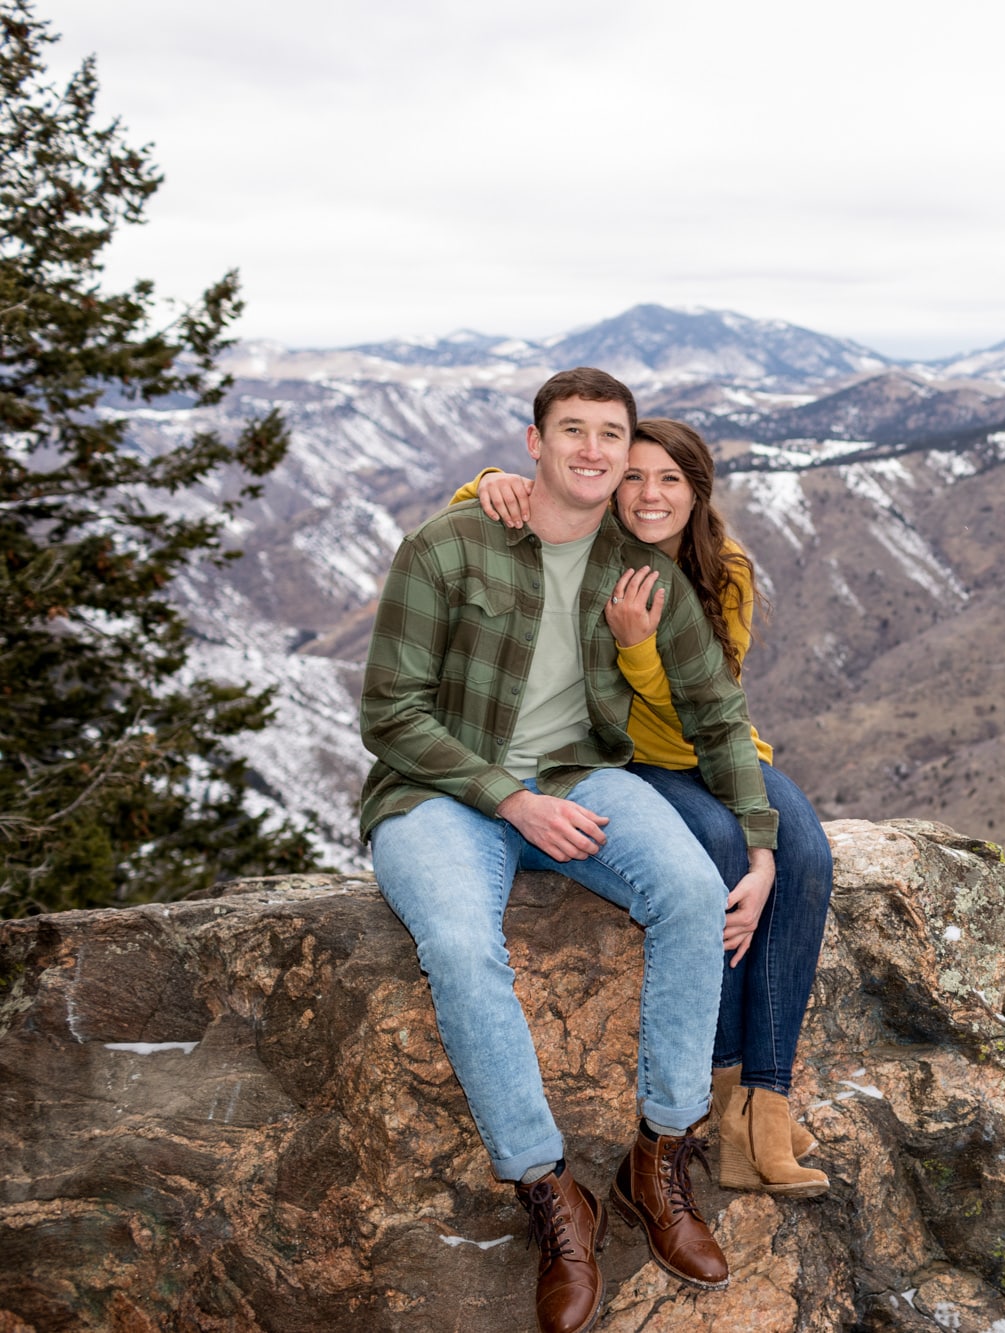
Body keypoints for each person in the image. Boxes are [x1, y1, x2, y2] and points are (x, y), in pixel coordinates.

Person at [363, 368, 775, 1332]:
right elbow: (391, 712)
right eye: (573, 430)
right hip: (442, 793)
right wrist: (508, 799)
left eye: (609, 434)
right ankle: (551, 1193)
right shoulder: (450, 545)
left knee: (688, 888)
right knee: (461, 946)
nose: (592, 450)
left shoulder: (639, 569)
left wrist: (758, 850)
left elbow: (718, 715)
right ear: (535, 440)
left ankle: (662, 1154)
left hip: (580, 778)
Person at [456, 417, 833, 1199]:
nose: (650, 495)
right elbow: (628, 719)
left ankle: (766, 1099)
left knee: (804, 853)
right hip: (636, 763)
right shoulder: (590, 550)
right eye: (634, 476)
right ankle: (727, 1100)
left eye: (671, 480)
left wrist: (640, 648)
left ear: (697, 493)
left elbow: (708, 709)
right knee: (717, 855)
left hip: (715, 749)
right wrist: (488, 479)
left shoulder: (725, 571)